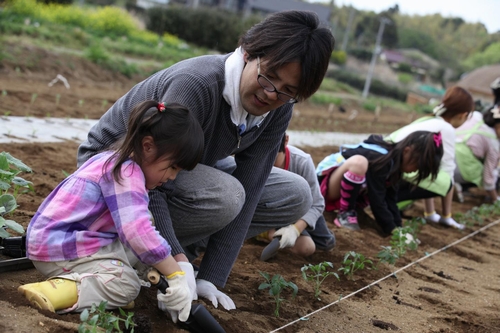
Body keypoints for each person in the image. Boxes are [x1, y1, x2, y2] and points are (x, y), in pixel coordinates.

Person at [76, 10, 334, 311]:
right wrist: (178, 264)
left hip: (179, 169)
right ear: (249, 53)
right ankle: (143, 247)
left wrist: (211, 277)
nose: (270, 94)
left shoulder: (278, 109)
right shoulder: (197, 85)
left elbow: (252, 187)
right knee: (226, 195)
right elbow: (151, 176)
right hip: (114, 167)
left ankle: (172, 249)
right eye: (269, 77)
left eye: (288, 91)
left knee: (293, 193)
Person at [18, 101, 205, 323]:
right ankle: (55, 291)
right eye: (173, 167)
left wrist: (167, 271)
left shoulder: (117, 161)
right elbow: (137, 232)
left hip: (68, 239)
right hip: (58, 248)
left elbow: (139, 233)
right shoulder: (125, 172)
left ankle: (101, 287)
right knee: (127, 285)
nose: (172, 176)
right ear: (147, 146)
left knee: (146, 232)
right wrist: (175, 274)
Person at [316, 131, 443, 235]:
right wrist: (391, 229)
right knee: (359, 163)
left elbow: (390, 200)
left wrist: (398, 227)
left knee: (381, 188)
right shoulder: (381, 159)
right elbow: (377, 200)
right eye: (418, 165)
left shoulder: (394, 166)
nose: (416, 170)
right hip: (322, 188)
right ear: (407, 151)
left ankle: (353, 210)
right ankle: (345, 214)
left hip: (337, 189)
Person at [388, 86, 474, 230]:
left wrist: (430, 213)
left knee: (432, 171)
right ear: (462, 115)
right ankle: (391, 199)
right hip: (397, 172)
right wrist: (446, 217)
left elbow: (430, 166)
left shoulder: (428, 119)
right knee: (445, 182)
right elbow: (447, 175)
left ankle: (393, 200)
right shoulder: (446, 129)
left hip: (385, 164)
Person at [257, 133, 336, 258]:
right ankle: (265, 232)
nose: (271, 166)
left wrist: (295, 230)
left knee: (326, 243)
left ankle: (275, 232)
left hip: (301, 208)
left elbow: (317, 204)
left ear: (286, 141)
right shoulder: (255, 161)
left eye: (275, 159)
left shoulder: (302, 161)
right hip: (272, 209)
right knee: (306, 247)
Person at [454, 106, 500, 202]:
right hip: (459, 166)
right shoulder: (494, 143)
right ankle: (455, 183)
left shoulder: (475, 115)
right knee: (490, 171)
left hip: (443, 151)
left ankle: (453, 183)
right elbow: (488, 177)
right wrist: (495, 199)